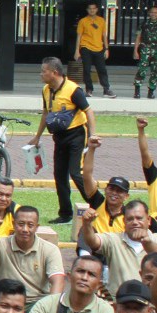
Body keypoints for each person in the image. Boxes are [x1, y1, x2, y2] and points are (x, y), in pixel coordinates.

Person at [30, 57, 93, 225]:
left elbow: (89, 112)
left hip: (77, 135)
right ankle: (65, 214)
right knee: (59, 174)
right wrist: (37, 136)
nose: (41, 74)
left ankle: (96, 206)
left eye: (44, 71)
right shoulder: (46, 90)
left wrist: (92, 136)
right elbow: (45, 113)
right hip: (59, 137)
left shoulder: (73, 90)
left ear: (54, 72)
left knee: (76, 173)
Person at [0, 206, 64, 309]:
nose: (25, 229)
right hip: (5, 300)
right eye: (21, 224)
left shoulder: (50, 249)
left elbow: (58, 282)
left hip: (35, 304)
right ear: (13, 224)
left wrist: (52, 309)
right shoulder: (0, 244)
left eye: (30, 225)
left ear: (37, 227)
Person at [73, 1, 115, 98]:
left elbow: (104, 35)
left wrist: (106, 49)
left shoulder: (101, 21)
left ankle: (106, 89)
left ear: (96, 9)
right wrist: (76, 51)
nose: (92, 10)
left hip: (99, 48)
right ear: (87, 10)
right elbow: (79, 36)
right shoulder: (83, 21)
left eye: (94, 8)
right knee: (87, 70)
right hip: (86, 47)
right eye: (90, 8)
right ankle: (89, 89)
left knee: (102, 69)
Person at [131, 6, 157, 99]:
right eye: (152, 12)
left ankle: (151, 91)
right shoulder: (144, 24)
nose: (154, 14)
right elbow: (138, 37)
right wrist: (135, 50)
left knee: (155, 71)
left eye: (156, 12)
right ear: (149, 13)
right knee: (141, 70)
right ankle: (137, 91)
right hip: (145, 50)